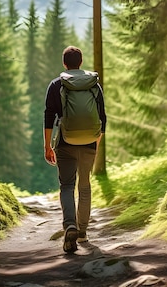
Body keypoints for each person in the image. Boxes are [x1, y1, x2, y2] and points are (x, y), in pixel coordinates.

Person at [44, 46, 106, 253]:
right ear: (80, 62)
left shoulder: (56, 84)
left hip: (64, 142)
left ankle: (70, 225)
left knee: (67, 185)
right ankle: (83, 232)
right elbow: (102, 117)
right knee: (85, 186)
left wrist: (47, 146)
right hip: (89, 141)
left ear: (64, 63)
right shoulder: (93, 84)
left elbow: (48, 116)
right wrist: (95, 142)